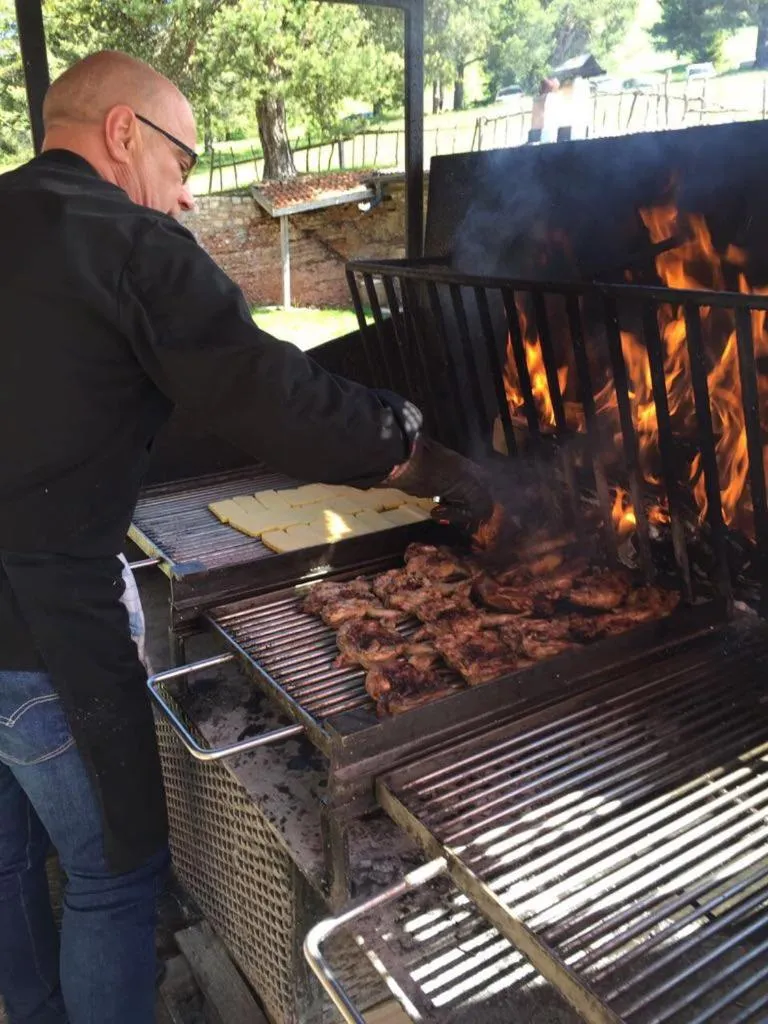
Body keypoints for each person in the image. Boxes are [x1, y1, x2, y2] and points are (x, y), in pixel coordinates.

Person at [0, 51, 491, 1024]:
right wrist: (411, 451)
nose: (186, 194)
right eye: (182, 163)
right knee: (112, 875)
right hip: (44, 637)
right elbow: (270, 396)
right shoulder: (126, 243)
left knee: (9, 851)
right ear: (123, 132)